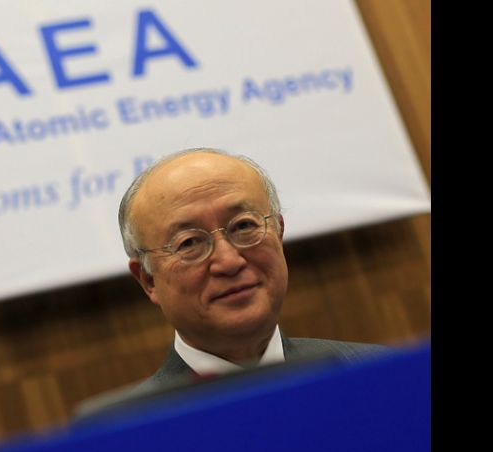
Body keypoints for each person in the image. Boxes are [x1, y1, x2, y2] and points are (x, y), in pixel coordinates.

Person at [75, 148, 388, 417]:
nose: (229, 261)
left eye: (243, 226)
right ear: (148, 280)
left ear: (278, 234)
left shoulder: (380, 377)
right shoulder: (127, 434)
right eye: (188, 243)